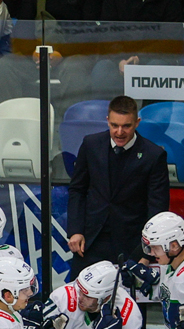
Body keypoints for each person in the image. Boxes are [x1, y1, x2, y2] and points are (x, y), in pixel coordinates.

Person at [67, 95, 170, 276]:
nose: (119, 132)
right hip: (90, 242)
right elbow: (77, 189)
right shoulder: (91, 144)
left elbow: (157, 207)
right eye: (114, 125)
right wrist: (75, 231)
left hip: (130, 246)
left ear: (137, 123)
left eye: (126, 126)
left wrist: (146, 252)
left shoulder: (153, 155)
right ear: (107, 121)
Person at [0, 0, 103, 112]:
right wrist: (33, 53)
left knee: (74, 68)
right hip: (39, 56)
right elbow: (22, 31)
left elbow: (91, 34)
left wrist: (62, 53)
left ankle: (67, 121)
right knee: (6, 65)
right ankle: (13, 117)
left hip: (75, 54)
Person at [90, 0, 183, 95]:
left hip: (153, 59)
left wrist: (140, 58)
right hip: (119, 58)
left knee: (157, 68)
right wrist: (120, 59)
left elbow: (169, 40)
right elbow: (107, 33)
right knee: (102, 68)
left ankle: (152, 109)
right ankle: (104, 108)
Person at [41, 260, 144, 329]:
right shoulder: (63, 297)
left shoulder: (129, 313)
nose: (80, 298)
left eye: (87, 296)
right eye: (80, 290)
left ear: (106, 298)